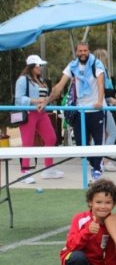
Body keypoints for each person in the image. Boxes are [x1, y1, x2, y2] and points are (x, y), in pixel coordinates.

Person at [59, 179, 116, 265]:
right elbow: (71, 246)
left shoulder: (112, 225)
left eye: (108, 202)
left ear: (114, 204)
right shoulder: (80, 219)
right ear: (90, 202)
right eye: (98, 202)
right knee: (77, 257)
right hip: (74, 258)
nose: (103, 206)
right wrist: (87, 231)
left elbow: (111, 259)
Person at [49, 42, 106, 181]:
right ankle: (96, 164)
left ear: (89, 51)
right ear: (76, 52)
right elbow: (60, 85)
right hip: (80, 110)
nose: (83, 53)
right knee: (80, 144)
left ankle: (97, 168)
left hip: (95, 110)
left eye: (85, 50)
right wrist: (46, 101)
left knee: (98, 142)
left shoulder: (96, 64)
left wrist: (99, 101)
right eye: (80, 51)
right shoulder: (72, 66)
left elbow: (100, 83)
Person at [14, 54, 63, 184]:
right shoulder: (23, 80)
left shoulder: (41, 80)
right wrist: (36, 101)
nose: (41, 67)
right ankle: (25, 171)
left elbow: (45, 98)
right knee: (28, 142)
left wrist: (51, 97)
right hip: (29, 113)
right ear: (31, 66)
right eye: (39, 65)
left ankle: (48, 168)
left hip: (42, 113)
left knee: (51, 138)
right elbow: (18, 99)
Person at [93, 48, 116, 172]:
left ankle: (101, 159)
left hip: (104, 104)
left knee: (105, 133)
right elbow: (100, 88)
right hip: (102, 105)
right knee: (112, 132)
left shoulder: (102, 70)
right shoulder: (100, 69)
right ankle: (104, 159)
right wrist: (109, 99)